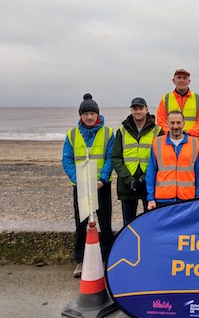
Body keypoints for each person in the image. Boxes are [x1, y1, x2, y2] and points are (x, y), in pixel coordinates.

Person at [62, 93, 114, 278]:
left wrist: (103, 179)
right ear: (81, 116)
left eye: (92, 113)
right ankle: (80, 261)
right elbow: (67, 160)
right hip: (81, 186)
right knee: (81, 224)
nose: (89, 117)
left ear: (97, 115)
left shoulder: (108, 133)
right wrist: (79, 180)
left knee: (105, 224)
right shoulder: (72, 134)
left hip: (101, 185)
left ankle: (107, 260)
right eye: (86, 114)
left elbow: (110, 158)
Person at [111, 97, 162, 227]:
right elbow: (116, 158)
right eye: (135, 109)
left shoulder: (157, 131)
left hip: (149, 184)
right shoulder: (121, 132)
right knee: (128, 225)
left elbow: (160, 158)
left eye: (140, 108)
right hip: (127, 184)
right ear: (131, 111)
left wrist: (144, 179)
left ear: (146, 110)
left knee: (150, 222)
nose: (138, 111)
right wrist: (129, 180)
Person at [146, 111, 199, 209]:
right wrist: (150, 198)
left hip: (187, 199)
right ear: (167, 123)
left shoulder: (195, 143)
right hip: (163, 199)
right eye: (172, 123)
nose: (175, 126)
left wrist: (198, 197)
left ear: (184, 123)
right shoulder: (157, 143)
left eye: (178, 122)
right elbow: (151, 172)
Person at [156, 68, 199, 137]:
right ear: (173, 81)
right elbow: (161, 121)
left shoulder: (198, 99)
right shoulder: (165, 99)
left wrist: (188, 134)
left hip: (191, 140)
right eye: (179, 77)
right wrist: (172, 134)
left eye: (184, 78)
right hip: (170, 140)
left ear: (189, 81)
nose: (182, 80)